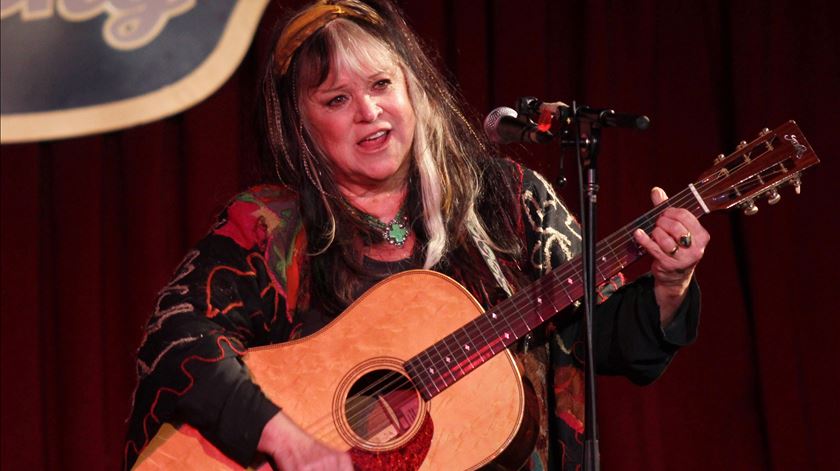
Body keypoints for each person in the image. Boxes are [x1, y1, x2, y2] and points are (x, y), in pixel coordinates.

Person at [123, 0, 709, 469]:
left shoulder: (509, 202)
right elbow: (177, 340)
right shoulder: (272, 225)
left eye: (381, 84)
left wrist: (669, 285)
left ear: (413, 89)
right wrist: (285, 439)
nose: (369, 111)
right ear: (303, 126)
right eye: (337, 99)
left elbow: (601, 339)